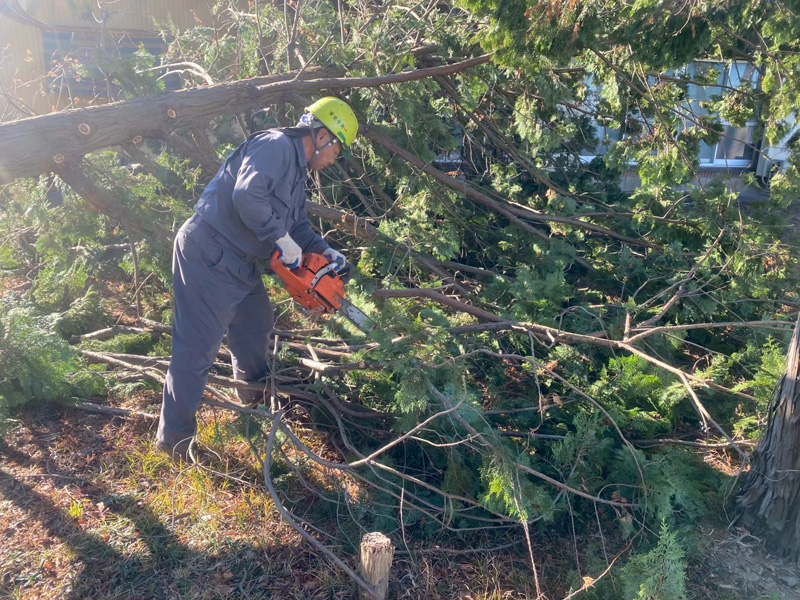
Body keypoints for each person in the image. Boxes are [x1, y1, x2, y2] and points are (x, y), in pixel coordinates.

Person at [156, 97, 358, 461]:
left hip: (241, 261)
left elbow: (296, 225)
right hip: (210, 251)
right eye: (336, 150)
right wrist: (278, 238)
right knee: (197, 349)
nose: (332, 160)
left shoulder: (297, 173)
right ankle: (175, 443)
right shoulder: (276, 146)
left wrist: (324, 252)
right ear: (323, 135)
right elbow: (247, 194)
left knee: (256, 326)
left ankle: (253, 405)